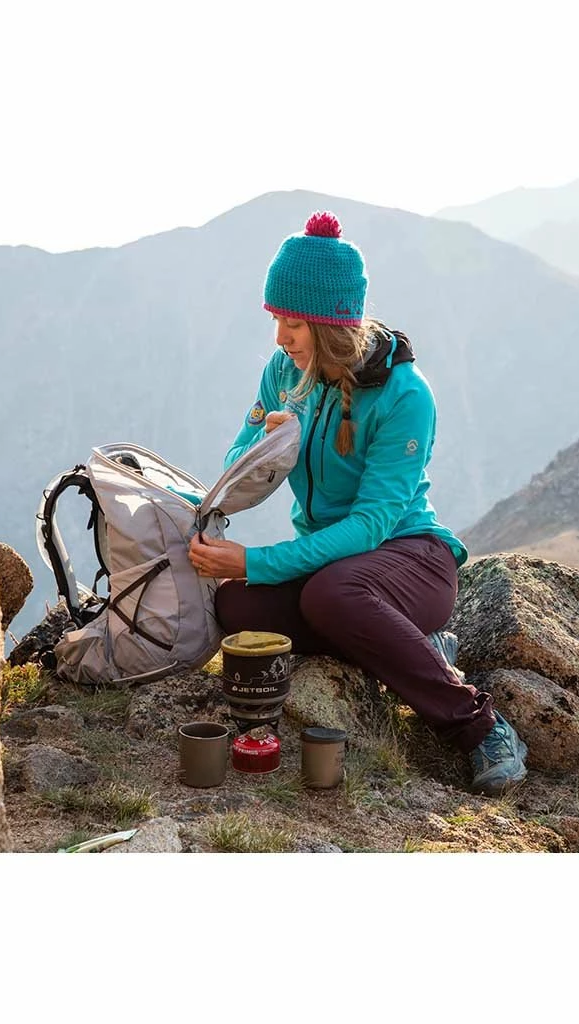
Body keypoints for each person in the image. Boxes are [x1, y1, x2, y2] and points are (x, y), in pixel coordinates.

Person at [187, 210, 527, 795]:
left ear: (328, 325)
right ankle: (406, 643)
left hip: (411, 559)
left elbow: (371, 526)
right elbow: (235, 464)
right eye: (275, 319)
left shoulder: (406, 395)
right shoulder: (283, 372)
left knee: (330, 594)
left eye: (293, 323)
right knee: (237, 604)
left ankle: (479, 725)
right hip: (333, 570)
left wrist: (256, 561)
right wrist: (264, 442)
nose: (279, 338)